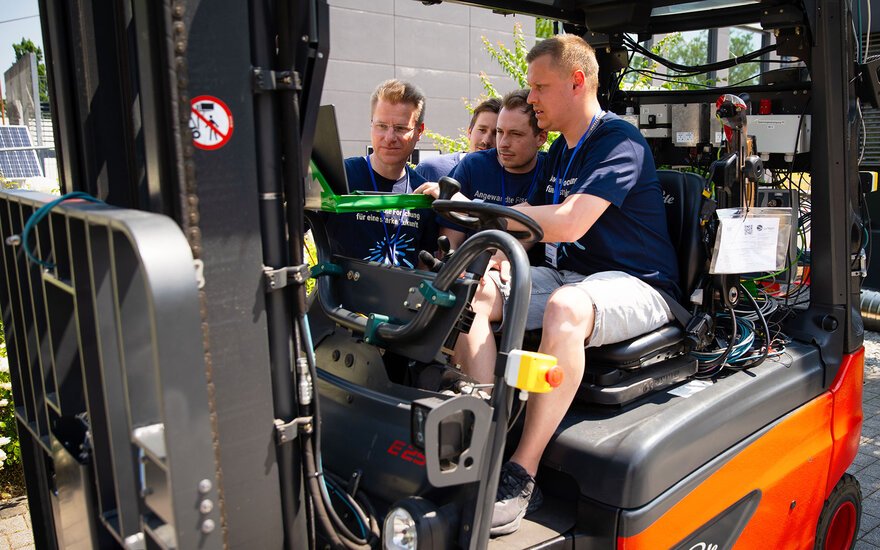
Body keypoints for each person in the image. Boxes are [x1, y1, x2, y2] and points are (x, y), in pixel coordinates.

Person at [417, 35, 679, 536]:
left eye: (540, 87)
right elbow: (528, 225)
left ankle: (523, 470)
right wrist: (498, 256)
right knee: (475, 290)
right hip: (573, 276)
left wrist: (486, 215)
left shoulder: (617, 140)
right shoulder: (560, 150)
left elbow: (569, 221)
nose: (531, 97)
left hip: (638, 283)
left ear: (577, 82)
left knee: (564, 308)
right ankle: (486, 437)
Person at [324, 79, 438, 268]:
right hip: (340, 288)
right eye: (382, 126)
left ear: (419, 131)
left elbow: (424, 263)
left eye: (400, 128)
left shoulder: (423, 193)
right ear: (371, 124)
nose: (389, 137)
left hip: (403, 288)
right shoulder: (339, 176)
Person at [439, 89, 548, 254]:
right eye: (500, 132)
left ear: (541, 137)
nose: (503, 143)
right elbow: (449, 242)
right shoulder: (473, 165)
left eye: (515, 134)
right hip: (470, 266)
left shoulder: (551, 170)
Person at [414, 97, 501, 181]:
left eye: (496, 133)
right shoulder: (430, 170)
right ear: (469, 132)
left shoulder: (506, 179)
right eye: (482, 130)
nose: (486, 140)